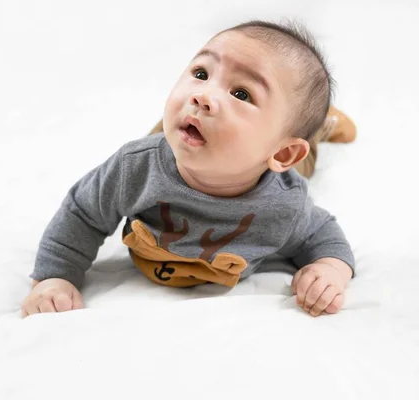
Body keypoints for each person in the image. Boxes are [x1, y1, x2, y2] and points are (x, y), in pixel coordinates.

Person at [21, 20, 357, 318]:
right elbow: (83, 211)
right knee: (164, 136)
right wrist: (55, 277)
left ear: (284, 153)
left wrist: (330, 269)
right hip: (174, 144)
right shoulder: (134, 169)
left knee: (307, 153)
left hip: (279, 155)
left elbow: (324, 235)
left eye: (241, 93)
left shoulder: (285, 202)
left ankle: (323, 125)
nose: (203, 95)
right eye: (201, 74)